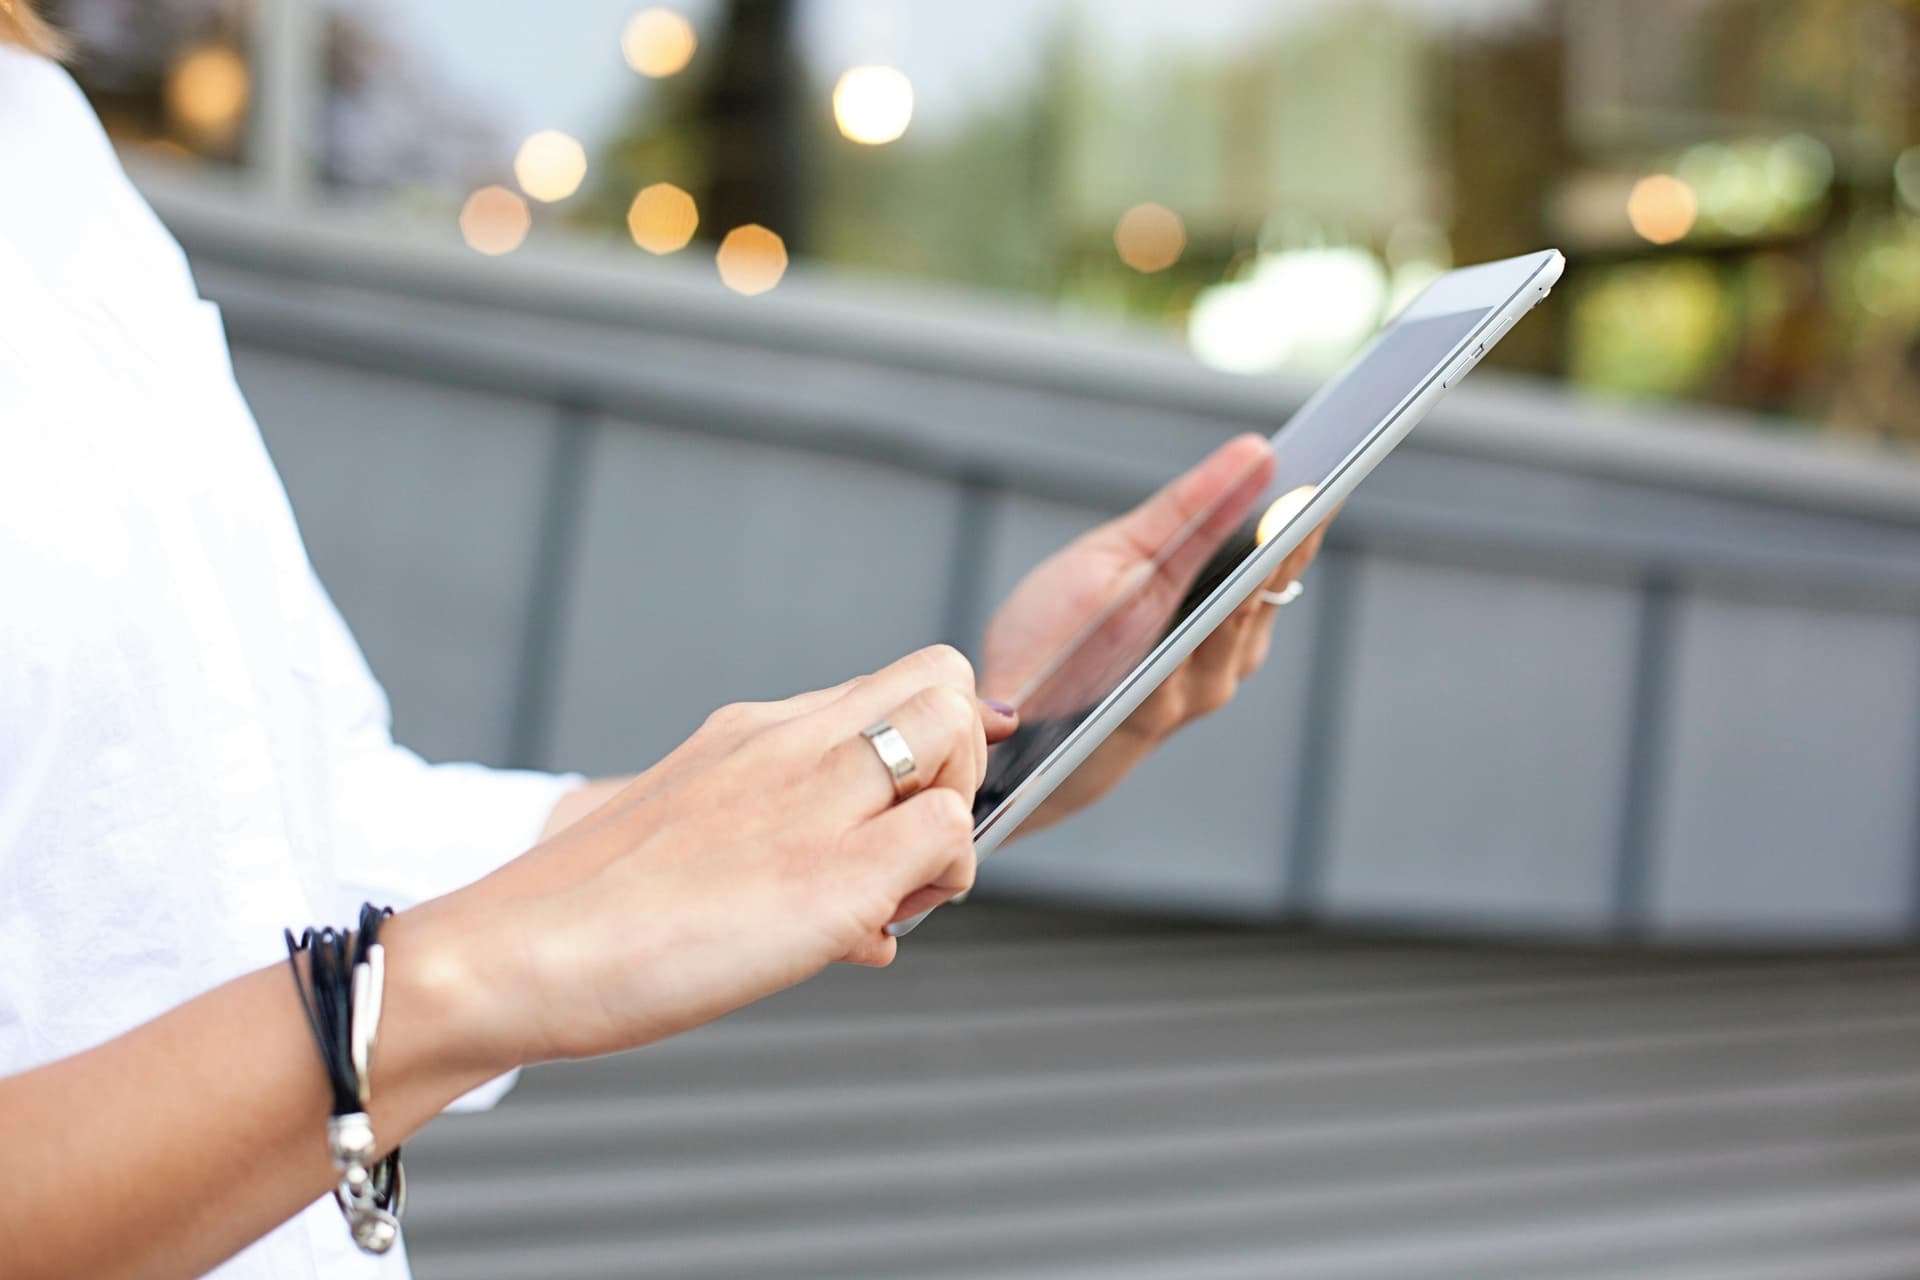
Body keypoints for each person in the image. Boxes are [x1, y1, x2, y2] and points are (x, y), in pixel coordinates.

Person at [0, 7, 1328, 1278]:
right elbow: (411, 963)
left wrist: (994, 750)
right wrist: (462, 986)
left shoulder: (46, 136)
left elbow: (303, 841)